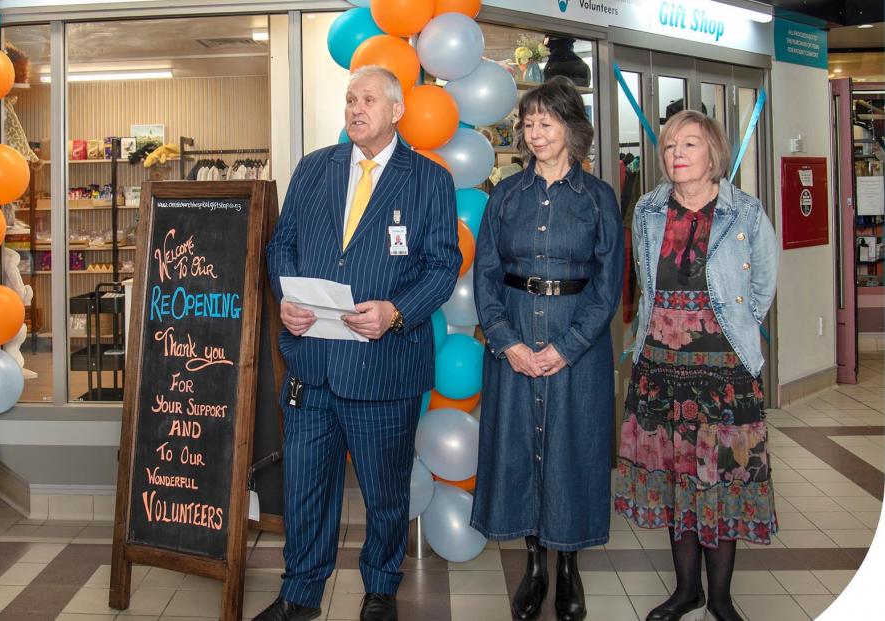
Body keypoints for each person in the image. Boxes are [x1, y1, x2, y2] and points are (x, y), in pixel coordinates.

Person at [258, 66, 460, 621]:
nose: (355, 108)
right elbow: (283, 247)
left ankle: (380, 591)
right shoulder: (314, 168)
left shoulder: (428, 180)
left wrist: (397, 310)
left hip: (382, 367)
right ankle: (299, 595)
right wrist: (285, 297)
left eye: (368, 99)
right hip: (311, 363)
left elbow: (444, 267)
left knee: (385, 493)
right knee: (305, 493)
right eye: (350, 99)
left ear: (396, 111)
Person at [614, 110, 778, 621]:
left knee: (722, 485)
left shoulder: (745, 212)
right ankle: (687, 590)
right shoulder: (646, 210)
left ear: (714, 153)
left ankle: (722, 597)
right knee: (675, 483)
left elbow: (763, 285)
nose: (677, 154)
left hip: (724, 374)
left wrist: (730, 331)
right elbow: (644, 280)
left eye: (689, 144)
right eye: (668, 146)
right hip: (660, 368)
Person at [471, 76, 624, 621]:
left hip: (575, 343)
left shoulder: (599, 198)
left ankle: (569, 568)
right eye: (528, 123)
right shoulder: (504, 195)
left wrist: (568, 347)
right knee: (519, 451)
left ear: (571, 129)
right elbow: (485, 276)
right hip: (514, 334)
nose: (535, 133)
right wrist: (506, 341)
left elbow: (609, 287)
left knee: (572, 452)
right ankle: (534, 566)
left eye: (547, 122)